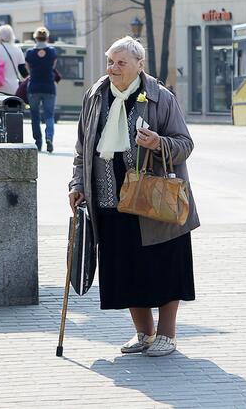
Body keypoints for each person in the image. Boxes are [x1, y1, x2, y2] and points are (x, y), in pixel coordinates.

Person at [68, 36, 199, 357]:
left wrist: (158, 143)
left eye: (121, 63)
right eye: (110, 62)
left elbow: (185, 143)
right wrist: (77, 183)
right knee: (126, 269)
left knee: (165, 267)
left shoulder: (159, 98)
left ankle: (167, 335)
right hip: (109, 201)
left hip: (154, 203)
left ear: (140, 66)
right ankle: (143, 333)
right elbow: (82, 147)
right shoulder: (96, 96)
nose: (113, 68)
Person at [25, 26, 58, 152]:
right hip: (49, 87)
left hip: (34, 87)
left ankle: (38, 142)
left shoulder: (30, 53)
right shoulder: (52, 52)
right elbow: (53, 66)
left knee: (35, 116)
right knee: (49, 115)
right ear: (47, 38)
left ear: (35, 38)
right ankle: (49, 137)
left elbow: (29, 69)